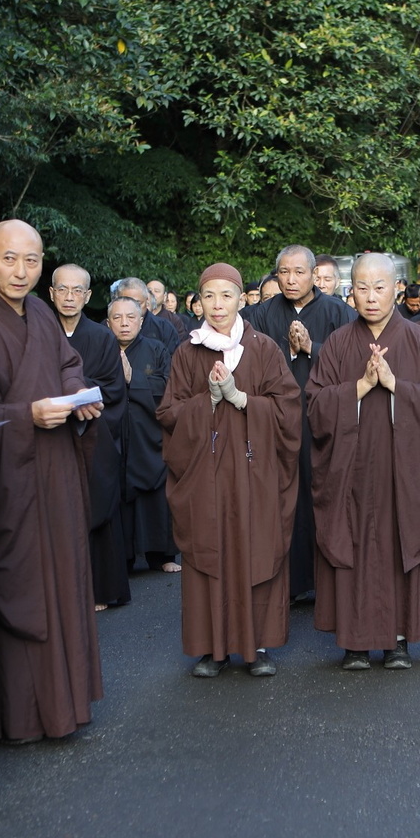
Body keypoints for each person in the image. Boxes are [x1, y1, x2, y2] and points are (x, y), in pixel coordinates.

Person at [0, 220, 103, 743]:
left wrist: (76, 392)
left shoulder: (42, 311)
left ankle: (64, 706)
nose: (21, 271)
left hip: (57, 469)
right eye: (9, 259)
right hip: (9, 480)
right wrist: (26, 416)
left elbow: (70, 362)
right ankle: (17, 718)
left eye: (32, 260)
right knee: (18, 586)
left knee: (64, 580)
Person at [306, 253, 420, 670]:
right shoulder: (336, 344)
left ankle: (398, 640)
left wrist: (394, 386)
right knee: (353, 543)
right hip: (350, 471)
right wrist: (359, 386)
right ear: (351, 292)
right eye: (363, 288)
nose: (371, 297)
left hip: (403, 472)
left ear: (396, 289)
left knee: (398, 543)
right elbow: (315, 405)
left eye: (380, 287)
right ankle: (354, 641)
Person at [157, 263, 301, 677]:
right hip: (206, 475)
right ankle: (211, 647)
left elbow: (289, 409)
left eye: (226, 295)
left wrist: (240, 398)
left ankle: (257, 644)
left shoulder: (264, 349)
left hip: (254, 473)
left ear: (242, 299)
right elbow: (168, 413)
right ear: (197, 301)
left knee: (255, 548)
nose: (217, 305)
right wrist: (209, 401)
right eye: (209, 296)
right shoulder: (187, 352)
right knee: (209, 551)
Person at [242, 244, 357, 601]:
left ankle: (327, 581)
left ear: (314, 274)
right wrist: (287, 349)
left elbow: (352, 363)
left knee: (323, 495)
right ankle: (284, 583)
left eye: (299, 272)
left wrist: (312, 348)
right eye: (284, 273)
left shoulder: (338, 312)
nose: (291, 280)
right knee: (278, 497)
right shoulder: (260, 314)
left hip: (323, 420)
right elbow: (250, 358)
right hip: (276, 421)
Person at [48, 265, 130, 610]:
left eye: (76, 291)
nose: (69, 297)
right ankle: (58, 589)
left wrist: (82, 402)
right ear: (51, 293)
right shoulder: (39, 330)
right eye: (62, 290)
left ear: (88, 296)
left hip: (92, 433)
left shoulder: (101, 336)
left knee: (97, 504)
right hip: (49, 433)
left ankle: (99, 588)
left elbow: (113, 389)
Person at [107, 295, 180, 576]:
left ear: (141, 320)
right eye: (117, 318)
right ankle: (121, 557)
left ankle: (162, 554)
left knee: (155, 495)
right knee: (117, 494)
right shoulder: (103, 349)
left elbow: (168, 385)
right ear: (108, 321)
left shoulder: (156, 348)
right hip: (114, 433)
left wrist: (133, 379)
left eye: (130, 317)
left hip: (148, 432)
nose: (124, 324)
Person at [115, 277, 180, 354]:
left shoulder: (164, 328)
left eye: (137, 303)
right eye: (126, 303)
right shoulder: (107, 327)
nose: (132, 308)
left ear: (147, 301)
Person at [147, 279, 190, 345]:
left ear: (164, 297)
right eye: (149, 290)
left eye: (156, 291)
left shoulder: (173, 320)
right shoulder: (137, 316)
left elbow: (181, 345)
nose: (152, 293)